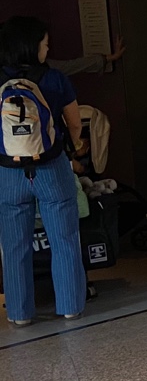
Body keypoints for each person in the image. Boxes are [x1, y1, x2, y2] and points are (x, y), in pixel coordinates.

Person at [0, 16, 88, 326]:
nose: (47, 48)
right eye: (45, 43)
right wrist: (77, 146)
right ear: (31, 46)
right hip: (51, 167)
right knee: (64, 239)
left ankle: (19, 313)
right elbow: (74, 123)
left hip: (8, 172)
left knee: (14, 246)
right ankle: (70, 306)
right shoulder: (55, 79)